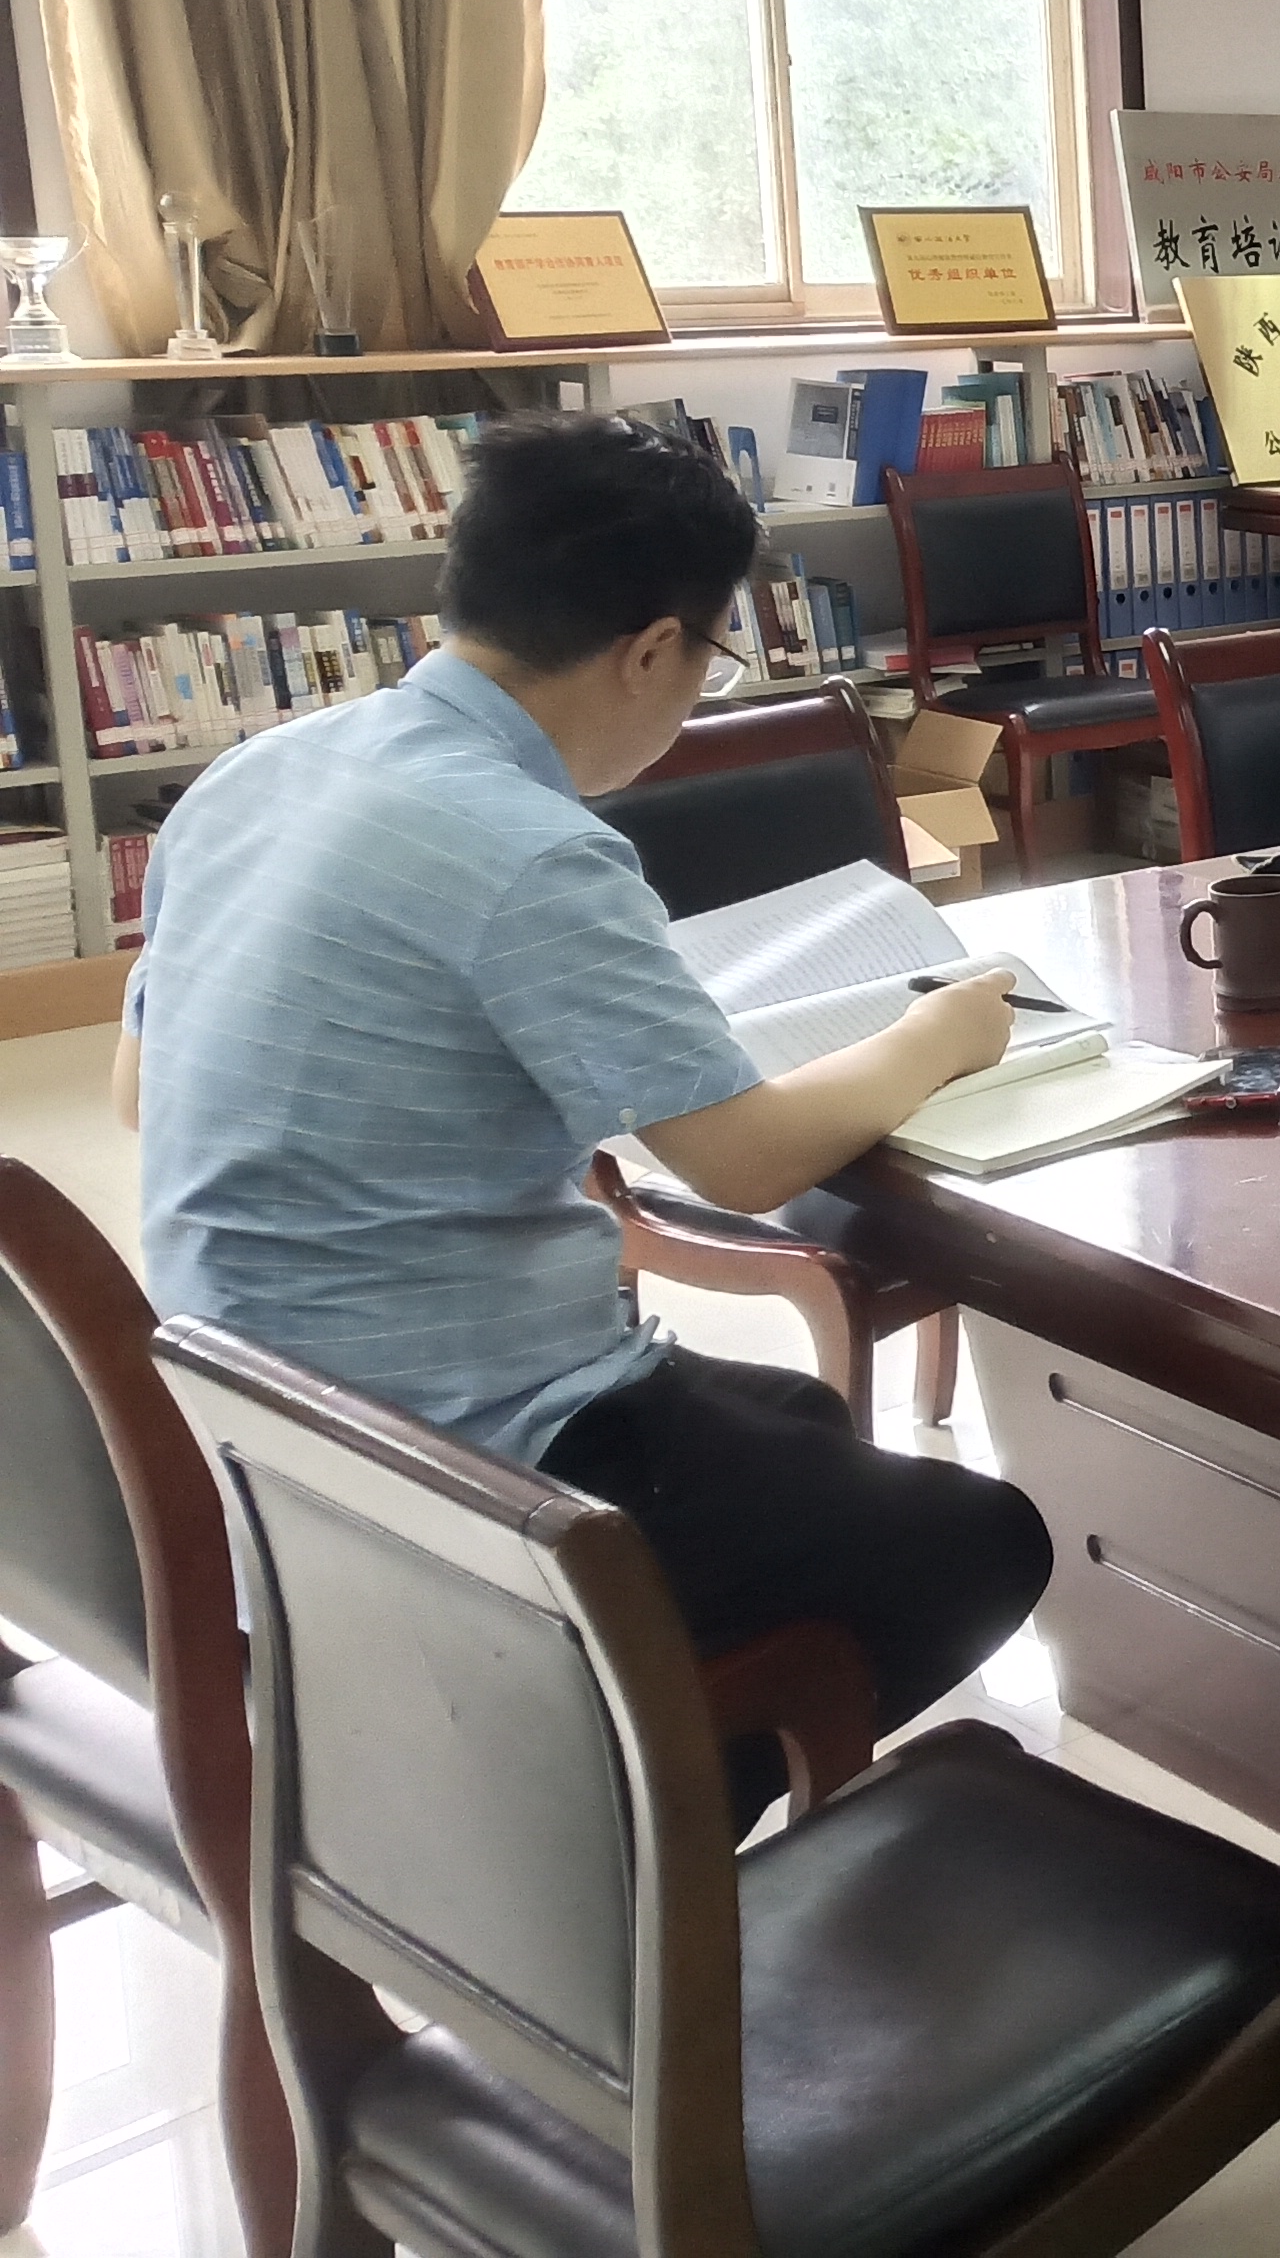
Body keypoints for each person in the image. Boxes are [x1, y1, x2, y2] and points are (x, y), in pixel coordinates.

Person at [118, 411, 1050, 1829]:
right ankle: (603, 1840)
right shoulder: (532, 845)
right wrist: (938, 1036)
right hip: (459, 1448)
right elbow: (744, 1162)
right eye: (712, 658)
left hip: (248, 1414)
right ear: (651, 649)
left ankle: (612, 1772)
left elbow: (141, 1092)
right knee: (977, 1540)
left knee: (799, 1418)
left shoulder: (262, 771)